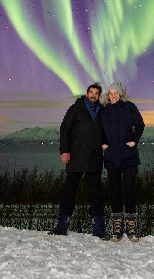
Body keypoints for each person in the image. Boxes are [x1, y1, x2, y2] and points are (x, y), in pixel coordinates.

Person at [47, 83, 110, 240]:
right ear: (87, 93)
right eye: (91, 92)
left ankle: (98, 228)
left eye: (96, 93)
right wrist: (64, 150)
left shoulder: (103, 110)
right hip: (76, 156)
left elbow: (108, 129)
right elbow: (65, 129)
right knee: (69, 192)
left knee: (96, 194)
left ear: (99, 95)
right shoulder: (76, 108)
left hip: (94, 158)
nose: (93, 95)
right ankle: (62, 226)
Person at [100, 81, 145, 242]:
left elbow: (140, 124)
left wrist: (134, 140)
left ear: (121, 94)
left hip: (129, 156)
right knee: (115, 191)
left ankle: (131, 230)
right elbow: (99, 129)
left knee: (130, 189)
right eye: (111, 93)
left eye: (116, 93)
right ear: (108, 94)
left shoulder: (129, 107)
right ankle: (117, 230)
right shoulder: (104, 110)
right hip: (112, 156)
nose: (113, 96)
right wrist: (103, 143)